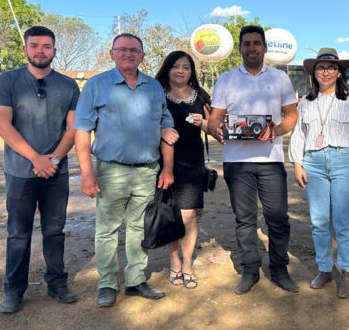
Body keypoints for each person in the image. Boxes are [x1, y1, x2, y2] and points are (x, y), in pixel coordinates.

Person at [74, 33, 177, 307]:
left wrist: (167, 168)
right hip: (111, 171)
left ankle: (135, 280)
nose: (128, 54)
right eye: (122, 49)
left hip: (146, 170)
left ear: (142, 56)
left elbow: (167, 129)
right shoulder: (96, 86)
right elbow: (82, 130)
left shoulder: (154, 88)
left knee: (138, 228)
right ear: (111, 54)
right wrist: (86, 172)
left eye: (135, 50)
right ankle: (107, 283)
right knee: (107, 229)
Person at [0, 25, 80, 314]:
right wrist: (36, 159)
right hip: (19, 172)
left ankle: (57, 283)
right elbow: (3, 125)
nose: (40, 51)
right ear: (25, 49)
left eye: (46, 46)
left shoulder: (68, 85)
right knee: (19, 233)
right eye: (34, 46)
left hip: (56, 172)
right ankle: (14, 290)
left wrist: (53, 159)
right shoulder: (8, 80)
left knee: (55, 230)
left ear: (54, 50)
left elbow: (73, 127)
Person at [207, 25, 299, 294]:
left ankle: (279, 270)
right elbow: (215, 117)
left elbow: (291, 115)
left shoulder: (281, 79)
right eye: (246, 43)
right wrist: (216, 130)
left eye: (257, 43)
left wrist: (277, 130)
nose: (252, 48)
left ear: (265, 47)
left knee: (278, 218)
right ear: (240, 48)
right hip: (236, 162)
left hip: (271, 160)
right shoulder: (225, 80)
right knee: (245, 219)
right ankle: (250, 270)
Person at [289, 48, 349, 299]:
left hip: (344, 160)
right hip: (313, 162)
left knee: (344, 220)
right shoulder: (305, 102)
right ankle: (325, 268)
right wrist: (297, 163)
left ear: (339, 73)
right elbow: (299, 134)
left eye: (331, 68)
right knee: (319, 220)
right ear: (314, 73)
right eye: (320, 67)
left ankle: (347, 271)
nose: (325, 72)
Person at [154, 50, 211, 290]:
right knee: (171, 214)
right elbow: (146, 124)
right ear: (167, 69)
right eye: (175, 66)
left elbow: (214, 128)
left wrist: (203, 122)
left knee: (189, 215)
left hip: (192, 163)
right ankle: (174, 261)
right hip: (164, 163)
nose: (180, 71)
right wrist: (160, 131)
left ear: (191, 72)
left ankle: (187, 264)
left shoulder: (201, 96)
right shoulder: (156, 94)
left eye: (185, 67)